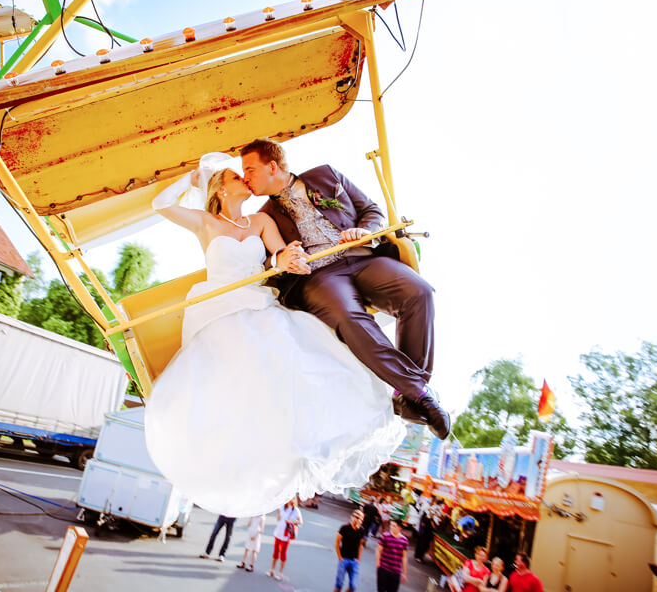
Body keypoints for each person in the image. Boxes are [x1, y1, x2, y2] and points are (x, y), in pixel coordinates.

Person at [145, 153, 407, 517]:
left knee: (291, 363)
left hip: (255, 301)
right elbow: (159, 204)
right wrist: (190, 179)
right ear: (222, 186)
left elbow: (278, 254)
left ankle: (303, 444)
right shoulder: (204, 222)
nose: (247, 181)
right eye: (239, 176)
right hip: (219, 308)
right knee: (240, 379)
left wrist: (285, 259)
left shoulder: (261, 220)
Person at [240, 138, 451, 439]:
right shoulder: (264, 215)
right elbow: (262, 263)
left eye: (250, 169)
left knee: (419, 292)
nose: (246, 178)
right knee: (348, 317)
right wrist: (280, 259)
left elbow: (372, 210)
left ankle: (409, 394)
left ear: (272, 166)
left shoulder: (327, 175)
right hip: (320, 276)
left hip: (362, 257)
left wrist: (364, 231)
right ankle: (420, 393)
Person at [268, 499, 303, 582]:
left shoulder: (295, 510)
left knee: (283, 553)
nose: (288, 499)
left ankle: (280, 573)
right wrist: (279, 515)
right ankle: (272, 570)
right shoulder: (282, 507)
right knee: (275, 551)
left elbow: (300, 522)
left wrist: (291, 521)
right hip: (278, 532)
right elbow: (279, 519)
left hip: (286, 535)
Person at [334, 509, 366, 592]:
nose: (356, 519)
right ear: (351, 517)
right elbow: (337, 542)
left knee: (353, 586)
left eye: (359, 518)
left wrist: (358, 558)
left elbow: (361, 545)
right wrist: (340, 557)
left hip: (354, 561)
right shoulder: (344, 528)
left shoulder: (362, 531)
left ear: (361, 520)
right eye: (355, 517)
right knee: (339, 585)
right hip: (343, 559)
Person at [375, 519, 408, 592]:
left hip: (396, 572)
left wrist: (404, 573)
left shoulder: (404, 540)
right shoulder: (385, 536)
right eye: (391, 525)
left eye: (394, 526)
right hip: (384, 569)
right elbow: (378, 550)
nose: (391, 527)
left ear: (399, 528)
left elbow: (404, 557)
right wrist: (378, 564)